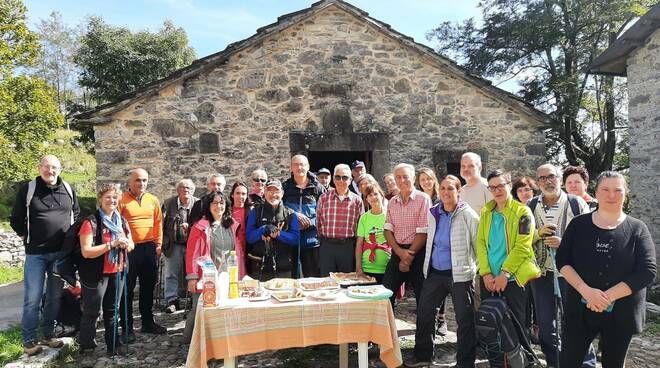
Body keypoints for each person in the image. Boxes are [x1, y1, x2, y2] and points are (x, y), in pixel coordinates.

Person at [557, 171, 656, 368]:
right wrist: (587, 292)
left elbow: (647, 271)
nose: (611, 195)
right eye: (605, 189)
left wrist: (608, 296)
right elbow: (563, 261)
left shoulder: (637, 228)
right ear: (597, 192)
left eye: (617, 190)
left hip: (622, 311)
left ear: (625, 193)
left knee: (614, 363)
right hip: (580, 308)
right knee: (568, 361)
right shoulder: (578, 225)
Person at [406, 175, 479, 368]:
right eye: (443, 188)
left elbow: (478, 245)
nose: (446, 192)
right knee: (424, 313)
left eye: (451, 189)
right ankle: (422, 356)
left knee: (464, 320)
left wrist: (474, 269)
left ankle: (465, 363)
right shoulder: (434, 212)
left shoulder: (468, 214)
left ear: (458, 192)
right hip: (435, 273)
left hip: (459, 275)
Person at [10, 155, 80, 355]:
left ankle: (48, 335)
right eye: (47, 167)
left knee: (54, 297)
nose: (50, 171)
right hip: (36, 254)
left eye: (54, 167)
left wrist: (69, 241)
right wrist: (25, 235)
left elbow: (76, 214)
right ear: (39, 168)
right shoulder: (29, 189)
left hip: (61, 254)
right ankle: (29, 340)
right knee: (32, 297)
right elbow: (15, 218)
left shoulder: (68, 189)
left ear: (60, 169)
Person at [528, 164, 593, 368]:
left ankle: (586, 364)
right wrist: (538, 236)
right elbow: (523, 239)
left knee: (576, 322)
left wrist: (562, 242)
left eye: (552, 176)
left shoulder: (576, 204)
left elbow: (589, 238)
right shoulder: (530, 206)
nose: (548, 181)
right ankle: (555, 363)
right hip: (542, 274)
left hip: (571, 274)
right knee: (546, 326)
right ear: (537, 183)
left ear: (559, 179)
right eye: (542, 178)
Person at [476, 170, 539, 326]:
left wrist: (505, 274)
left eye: (500, 186)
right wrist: (485, 273)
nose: (496, 191)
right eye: (492, 187)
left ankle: (519, 351)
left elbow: (522, 246)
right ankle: (493, 352)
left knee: (517, 325)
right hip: (489, 279)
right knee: (492, 323)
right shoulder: (486, 212)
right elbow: (481, 242)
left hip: (513, 279)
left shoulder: (523, 212)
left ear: (509, 185)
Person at [78, 184, 134, 356]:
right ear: (100, 199)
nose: (112, 200)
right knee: (92, 311)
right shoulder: (91, 222)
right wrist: (112, 244)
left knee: (113, 311)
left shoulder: (122, 221)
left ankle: (114, 346)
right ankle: (87, 347)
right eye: (108, 197)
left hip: (117, 271)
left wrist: (126, 243)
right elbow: (86, 251)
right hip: (96, 274)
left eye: (115, 197)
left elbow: (131, 244)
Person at [183, 191, 239, 342]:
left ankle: (217, 342)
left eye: (221, 202)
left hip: (225, 277)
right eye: (214, 203)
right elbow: (192, 254)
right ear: (208, 206)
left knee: (221, 311)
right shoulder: (200, 227)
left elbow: (236, 252)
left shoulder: (232, 225)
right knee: (199, 311)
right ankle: (189, 343)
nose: (218, 206)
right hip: (205, 277)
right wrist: (192, 277)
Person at [119, 168, 166, 341]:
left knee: (148, 286)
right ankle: (127, 327)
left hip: (148, 248)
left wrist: (158, 245)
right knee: (127, 289)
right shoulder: (121, 200)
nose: (141, 183)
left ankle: (147, 322)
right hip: (129, 249)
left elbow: (158, 223)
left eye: (144, 180)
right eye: (138, 180)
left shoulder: (152, 199)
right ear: (130, 182)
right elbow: (116, 225)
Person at [382, 163, 431, 306]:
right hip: (397, 251)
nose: (401, 180)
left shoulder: (423, 199)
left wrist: (408, 256)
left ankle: (424, 329)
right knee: (385, 295)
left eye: (405, 177)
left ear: (414, 178)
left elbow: (423, 231)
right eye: (398, 177)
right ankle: (386, 328)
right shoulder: (392, 202)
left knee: (423, 298)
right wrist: (400, 253)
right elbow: (387, 230)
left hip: (418, 252)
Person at [415, 167, 448, 335]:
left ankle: (441, 318)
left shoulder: (439, 199)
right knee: (426, 283)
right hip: (422, 244)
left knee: (439, 282)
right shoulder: (419, 199)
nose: (426, 182)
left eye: (428, 179)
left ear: (434, 179)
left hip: (437, 245)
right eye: (422, 180)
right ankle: (428, 316)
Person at [246, 179, 300, 280]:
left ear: (282, 193)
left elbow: (295, 239)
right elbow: (249, 237)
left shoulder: (290, 214)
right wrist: (264, 229)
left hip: (284, 267)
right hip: (260, 266)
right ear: (264, 193)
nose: (273, 194)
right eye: (270, 191)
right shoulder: (255, 212)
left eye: (276, 191)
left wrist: (278, 233)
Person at [282, 155, 326, 278]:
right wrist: (294, 215)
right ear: (291, 167)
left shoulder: (318, 188)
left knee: (312, 277)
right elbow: (278, 208)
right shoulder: (285, 187)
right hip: (290, 239)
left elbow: (324, 212)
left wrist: (310, 222)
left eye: (302, 164)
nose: (299, 167)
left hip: (311, 240)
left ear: (308, 167)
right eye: (296, 164)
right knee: (293, 277)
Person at [317, 164, 364, 276]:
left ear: (350, 180)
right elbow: (318, 222)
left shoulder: (357, 200)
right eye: (338, 177)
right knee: (327, 282)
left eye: (345, 177)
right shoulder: (323, 198)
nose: (341, 180)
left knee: (347, 281)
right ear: (333, 179)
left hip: (347, 247)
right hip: (327, 246)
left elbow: (360, 225)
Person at [161, 179, 198, 313]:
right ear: (177, 190)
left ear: (193, 190)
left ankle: (193, 299)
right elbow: (161, 225)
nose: (185, 190)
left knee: (193, 272)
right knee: (171, 273)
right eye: (182, 187)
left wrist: (191, 227)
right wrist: (160, 244)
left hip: (193, 245)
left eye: (188, 188)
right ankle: (172, 300)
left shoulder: (198, 204)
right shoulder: (168, 203)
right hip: (173, 243)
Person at [355, 183, 390, 283]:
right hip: (367, 268)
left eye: (375, 194)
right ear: (366, 199)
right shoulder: (364, 218)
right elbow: (359, 244)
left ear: (381, 195)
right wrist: (359, 267)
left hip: (387, 267)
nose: (373, 197)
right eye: (370, 195)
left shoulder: (390, 215)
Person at [230, 181, 251, 280]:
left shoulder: (251, 210)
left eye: (243, 194)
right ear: (232, 195)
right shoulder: (227, 210)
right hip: (231, 250)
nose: (240, 196)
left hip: (247, 249)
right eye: (237, 193)